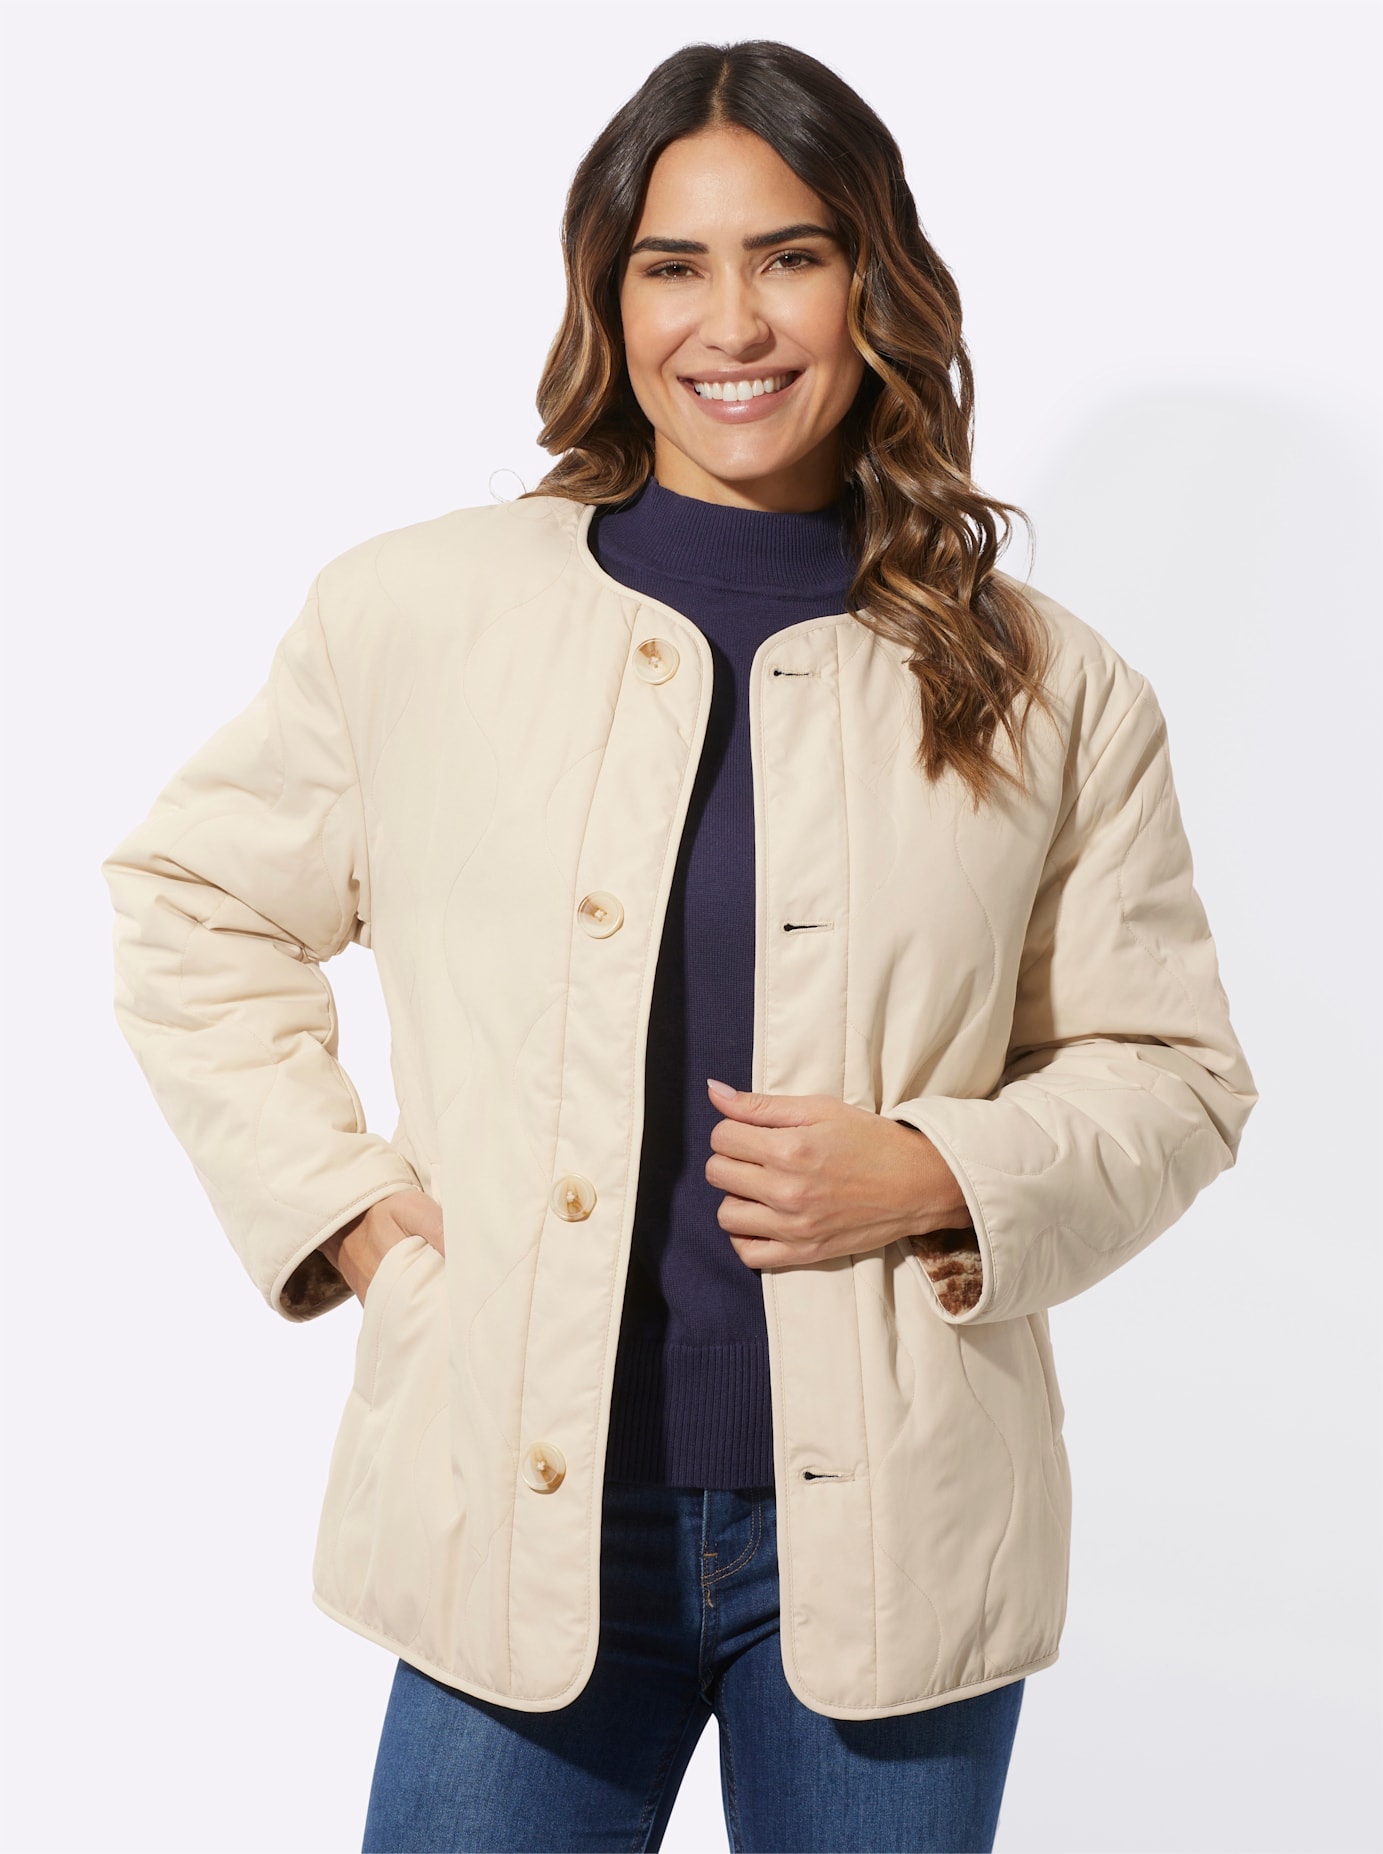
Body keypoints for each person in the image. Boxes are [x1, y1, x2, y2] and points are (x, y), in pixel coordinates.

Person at [100, 38, 1258, 1854]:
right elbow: (194, 902)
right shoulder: (420, 613)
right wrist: (345, 1209)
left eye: (791, 255)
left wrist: (937, 1170)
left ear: (874, 283)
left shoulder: (1046, 680)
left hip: (894, 1523)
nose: (734, 321)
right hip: (521, 1503)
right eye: (674, 265)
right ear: (609, 299)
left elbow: (1174, 1071)